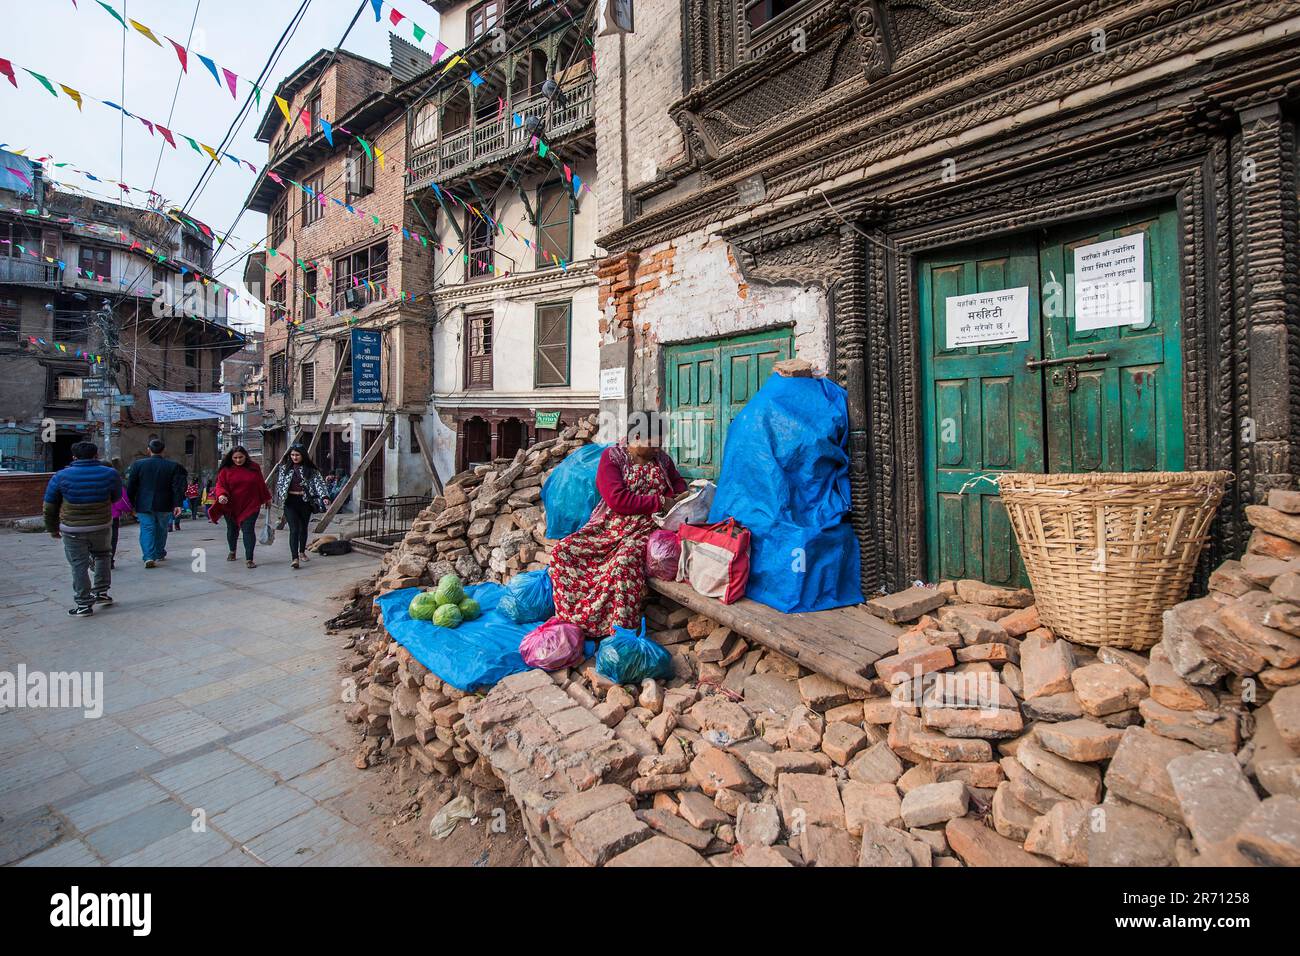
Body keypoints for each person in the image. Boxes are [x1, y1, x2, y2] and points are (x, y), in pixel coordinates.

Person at [549, 411, 688, 638]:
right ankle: (576, 621)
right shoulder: (612, 458)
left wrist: (683, 497)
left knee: (624, 562)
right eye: (653, 442)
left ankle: (621, 632)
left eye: (660, 442)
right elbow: (617, 500)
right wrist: (660, 501)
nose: (657, 448)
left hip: (648, 527)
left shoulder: (662, 460)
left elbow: (677, 482)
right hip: (611, 525)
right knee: (563, 552)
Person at [43, 441, 121, 616]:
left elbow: (49, 506)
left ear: (74, 457)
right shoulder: (110, 473)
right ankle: (101, 592)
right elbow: (116, 497)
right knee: (103, 556)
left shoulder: (61, 476)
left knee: (79, 564)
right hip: (101, 524)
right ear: (96, 455)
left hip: (72, 529)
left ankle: (84, 604)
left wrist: (52, 528)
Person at [125, 438, 187, 568]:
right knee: (162, 528)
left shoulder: (138, 465)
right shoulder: (172, 466)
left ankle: (148, 556)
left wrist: (130, 504)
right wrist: (178, 504)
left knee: (147, 529)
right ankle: (159, 552)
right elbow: (177, 487)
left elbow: (131, 486)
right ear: (164, 450)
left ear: (148, 450)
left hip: (143, 503)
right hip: (164, 503)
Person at [209, 446, 271, 568]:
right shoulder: (225, 470)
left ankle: (249, 558)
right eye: (235, 458)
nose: (238, 460)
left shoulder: (254, 468)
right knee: (232, 529)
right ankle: (232, 550)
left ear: (246, 456)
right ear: (231, 458)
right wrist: (221, 495)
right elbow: (220, 485)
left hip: (251, 505)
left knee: (248, 530)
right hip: (230, 505)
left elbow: (261, 484)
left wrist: (267, 498)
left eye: (241, 457)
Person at [271, 444, 330, 569]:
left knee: (303, 528)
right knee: (294, 530)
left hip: (305, 502)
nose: (294, 457)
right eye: (292, 455)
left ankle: (302, 551)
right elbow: (280, 484)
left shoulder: (311, 470)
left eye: (297, 455)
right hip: (290, 502)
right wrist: (281, 496)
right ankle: (294, 558)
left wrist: (324, 497)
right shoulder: (285, 469)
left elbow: (319, 483)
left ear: (303, 455)